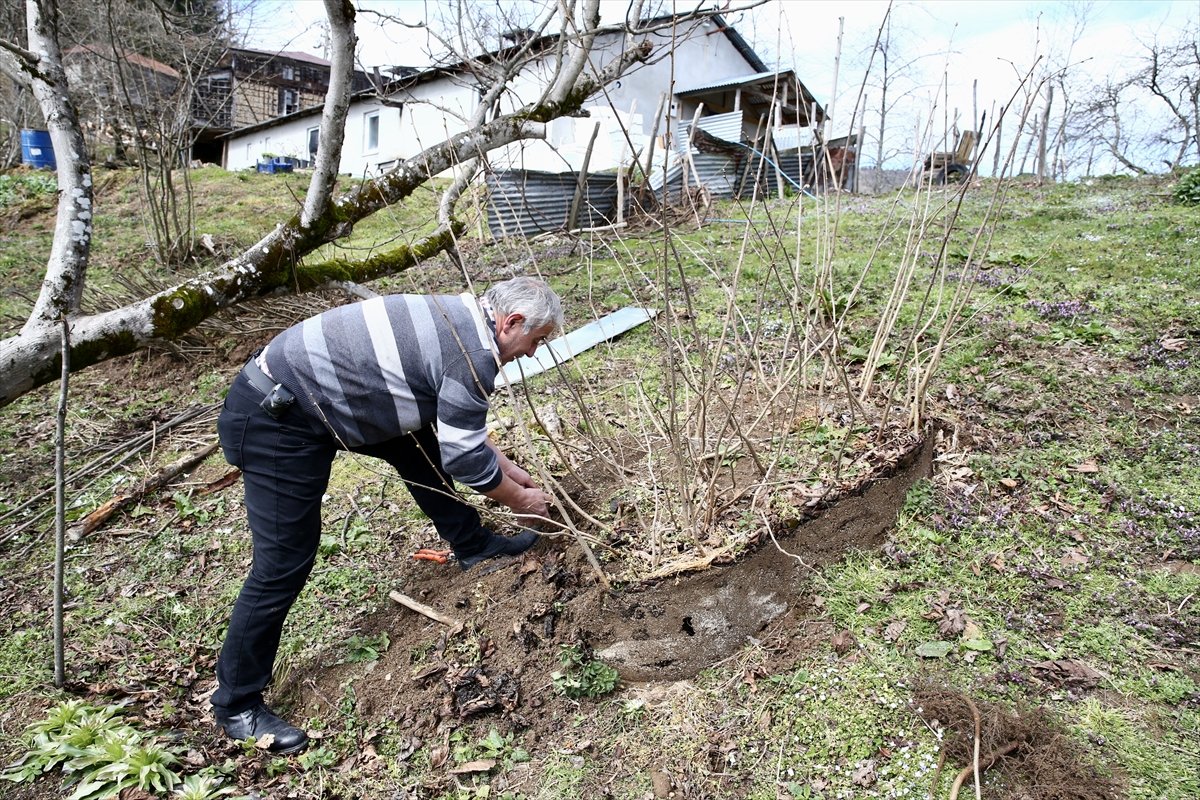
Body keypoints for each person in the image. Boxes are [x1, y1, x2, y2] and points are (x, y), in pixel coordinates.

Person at [211, 276, 561, 754]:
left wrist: (510, 471)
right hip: (279, 416)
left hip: (324, 396)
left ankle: (474, 545)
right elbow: (464, 458)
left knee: (418, 444)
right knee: (283, 562)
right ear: (511, 322)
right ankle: (237, 704)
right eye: (536, 340)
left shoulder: (459, 315)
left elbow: (459, 430)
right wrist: (521, 501)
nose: (533, 353)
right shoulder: (471, 353)